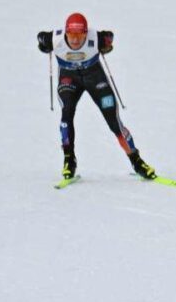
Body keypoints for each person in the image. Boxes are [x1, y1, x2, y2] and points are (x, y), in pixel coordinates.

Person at [37, 12, 155, 181]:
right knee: (66, 116)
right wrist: (42, 45)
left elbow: (109, 37)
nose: (76, 40)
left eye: (80, 35)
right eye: (71, 35)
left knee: (115, 123)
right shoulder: (54, 39)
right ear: (65, 32)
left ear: (86, 33)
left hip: (95, 78)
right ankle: (69, 160)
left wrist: (107, 44)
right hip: (69, 79)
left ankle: (137, 161)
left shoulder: (96, 38)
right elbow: (41, 38)